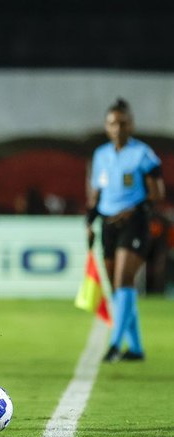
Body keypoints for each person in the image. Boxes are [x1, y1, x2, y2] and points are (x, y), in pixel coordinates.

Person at [87, 98, 165, 362]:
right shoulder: (101, 156)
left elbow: (157, 193)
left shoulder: (143, 154)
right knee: (117, 288)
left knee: (124, 280)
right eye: (112, 123)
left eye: (122, 123)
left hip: (134, 222)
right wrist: (89, 222)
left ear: (131, 124)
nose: (117, 128)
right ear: (106, 126)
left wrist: (133, 210)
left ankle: (114, 345)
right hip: (107, 223)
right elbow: (95, 195)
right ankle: (136, 347)